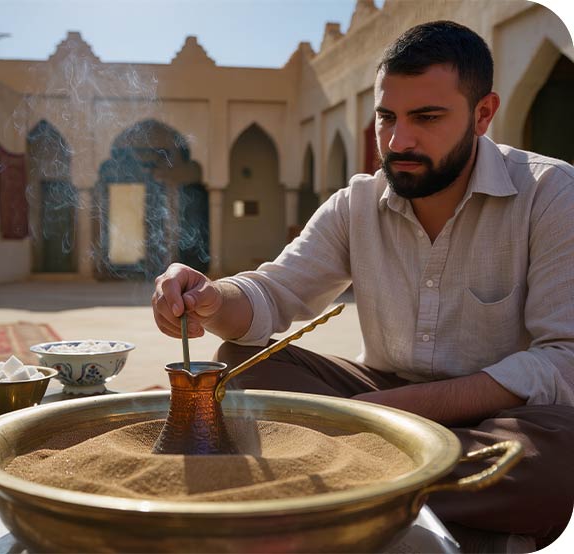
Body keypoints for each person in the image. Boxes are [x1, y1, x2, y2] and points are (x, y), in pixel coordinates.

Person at [151, 20, 574, 553]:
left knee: (553, 462)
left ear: (483, 115)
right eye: (386, 117)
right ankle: (406, 505)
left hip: (497, 415)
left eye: (426, 118)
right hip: (380, 395)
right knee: (241, 363)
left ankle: (321, 483)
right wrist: (212, 299)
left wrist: (388, 415)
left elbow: (563, 360)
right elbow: (271, 295)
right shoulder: (356, 204)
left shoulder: (550, 194)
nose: (398, 141)